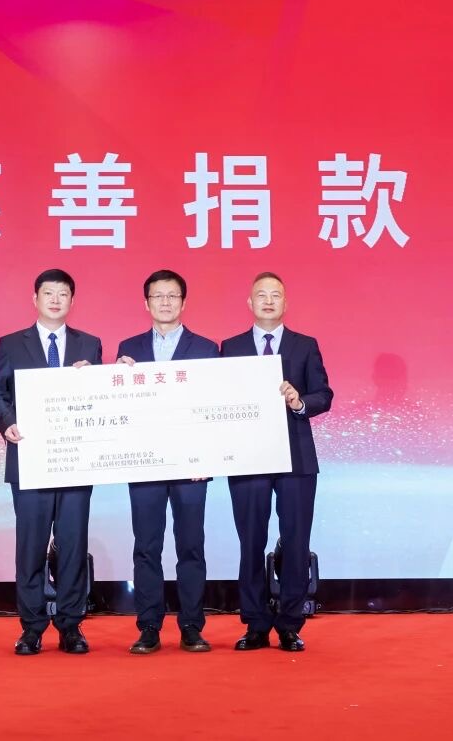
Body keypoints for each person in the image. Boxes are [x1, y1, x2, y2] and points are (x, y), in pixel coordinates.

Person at [0, 269, 103, 656]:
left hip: (75, 463)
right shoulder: (11, 343)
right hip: (30, 460)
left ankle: (70, 626)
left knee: (72, 547)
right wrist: (7, 422)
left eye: (63, 293)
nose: (55, 299)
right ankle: (32, 627)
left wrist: (96, 379)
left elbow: (101, 400)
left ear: (72, 300)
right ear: (35, 299)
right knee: (30, 548)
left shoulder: (90, 344)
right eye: (48, 293)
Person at [220, 272, 333, 652]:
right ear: (249, 303)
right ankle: (254, 624)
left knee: (296, 543)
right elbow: (217, 399)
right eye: (261, 295)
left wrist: (299, 401)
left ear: (285, 303)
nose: (268, 301)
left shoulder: (305, 345)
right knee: (251, 542)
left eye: (276, 295)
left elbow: (324, 394)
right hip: (248, 458)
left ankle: (289, 623)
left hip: (296, 459)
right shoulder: (231, 347)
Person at [114, 269, 220, 655]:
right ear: (146, 303)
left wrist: (208, 456)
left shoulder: (207, 349)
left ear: (183, 302)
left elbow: (215, 406)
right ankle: (149, 627)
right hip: (144, 463)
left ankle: (191, 626)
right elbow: (118, 405)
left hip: (192, 465)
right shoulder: (129, 349)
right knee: (147, 546)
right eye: (157, 296)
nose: (165, 302)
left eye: (172, 295)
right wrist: (115, 378)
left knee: (191, 545)